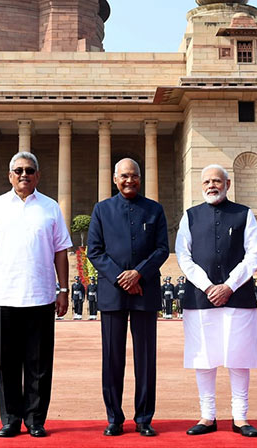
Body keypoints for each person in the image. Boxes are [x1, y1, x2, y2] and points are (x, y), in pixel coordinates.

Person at [0, 151, 71, 439]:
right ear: (10, 175)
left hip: (41, 295)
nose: (24, 175)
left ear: (38, 175)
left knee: (39, 363)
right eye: (18, 170)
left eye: (29, 170)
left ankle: (36, 419)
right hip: (5, 295)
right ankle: (11, 419)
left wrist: (63, 290)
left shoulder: (51, 208)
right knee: (6, 363)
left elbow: (61, 252)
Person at [176, 164, 257, 438]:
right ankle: (207, 416)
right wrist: (207, 286)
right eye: (206, 182)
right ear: (201, 186)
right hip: (200, 298)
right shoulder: (189, 216)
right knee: (204, 358)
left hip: (237, 296)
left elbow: (253, 254)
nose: (211, 185)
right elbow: (183, 256)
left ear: (228, 184)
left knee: (238, 357)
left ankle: (240, 417)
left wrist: (228, 285)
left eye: (217, 181)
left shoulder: (244, 214)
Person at [87, 158, 169, 438]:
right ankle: (114, 417)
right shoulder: (102, 210)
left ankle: (144, 417)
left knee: (146, 358)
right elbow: (95, 251)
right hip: (113, 293)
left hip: (145, 291)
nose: (129, 181)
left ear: (140, 178)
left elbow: (161, 250)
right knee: (112, 357)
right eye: (124, 176)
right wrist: (122, 277)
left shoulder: (154, 210)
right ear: (114, 179)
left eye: (133, 176)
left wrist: (138, 274)